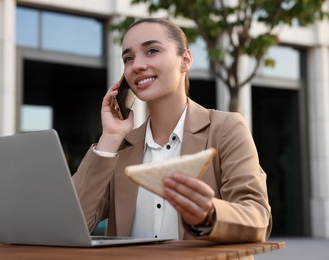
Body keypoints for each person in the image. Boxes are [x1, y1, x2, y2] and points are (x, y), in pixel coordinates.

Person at [73, 17, 272, 243]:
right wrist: (109, 138)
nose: (137, 65)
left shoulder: (226, 129)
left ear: (185, 60)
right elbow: (73, 223)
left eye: (152, 51)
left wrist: (210, 214)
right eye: (128, 58)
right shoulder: (119, 148)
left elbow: (259, 218)